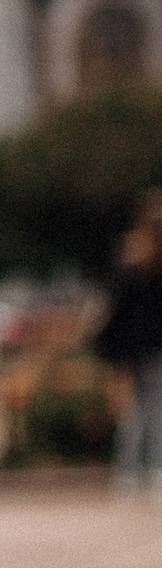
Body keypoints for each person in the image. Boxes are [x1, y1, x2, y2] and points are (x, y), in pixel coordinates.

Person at [92, 196, 162, 490]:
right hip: (144, 345)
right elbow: (119, 306)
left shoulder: (132, 255)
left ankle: (133, 473)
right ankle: (141, 472)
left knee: (142, 411)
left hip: (139, 345)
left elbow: (115, 306)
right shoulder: (137, 256)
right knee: (145, 411)